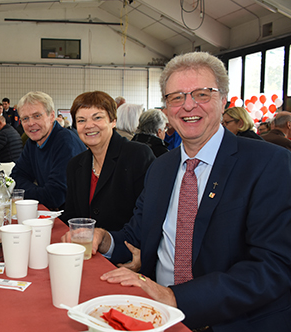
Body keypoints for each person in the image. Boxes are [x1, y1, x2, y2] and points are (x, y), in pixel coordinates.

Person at [66, 52, 291, 331]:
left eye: (202, 94)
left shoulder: (269, 164)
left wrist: (176, 296)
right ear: (166, 109)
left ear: (224, 101)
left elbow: (273, 265)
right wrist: (106, 239)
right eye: (176, 97)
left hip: (231, 320)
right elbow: (138, 233)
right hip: (153, 312)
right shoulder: (161, 168)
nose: (188, 105)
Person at [61, 91, 155, 232]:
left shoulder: (137, 155)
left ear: (113, 121)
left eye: (97, 118)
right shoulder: (75, 165)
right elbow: (72, 215)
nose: (89, 125)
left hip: (126, 248)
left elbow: (148, 215)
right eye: (81, 120)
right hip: (86, 248)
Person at [11, 91, 86, 210]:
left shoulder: (65, 143)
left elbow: (54, 197)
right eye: (25, 118)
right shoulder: (33, 142)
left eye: (37, 116)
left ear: (51, 116)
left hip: (73, 219)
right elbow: (16, 176)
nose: (31, 123)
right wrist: (40, 192)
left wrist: (25, 191)